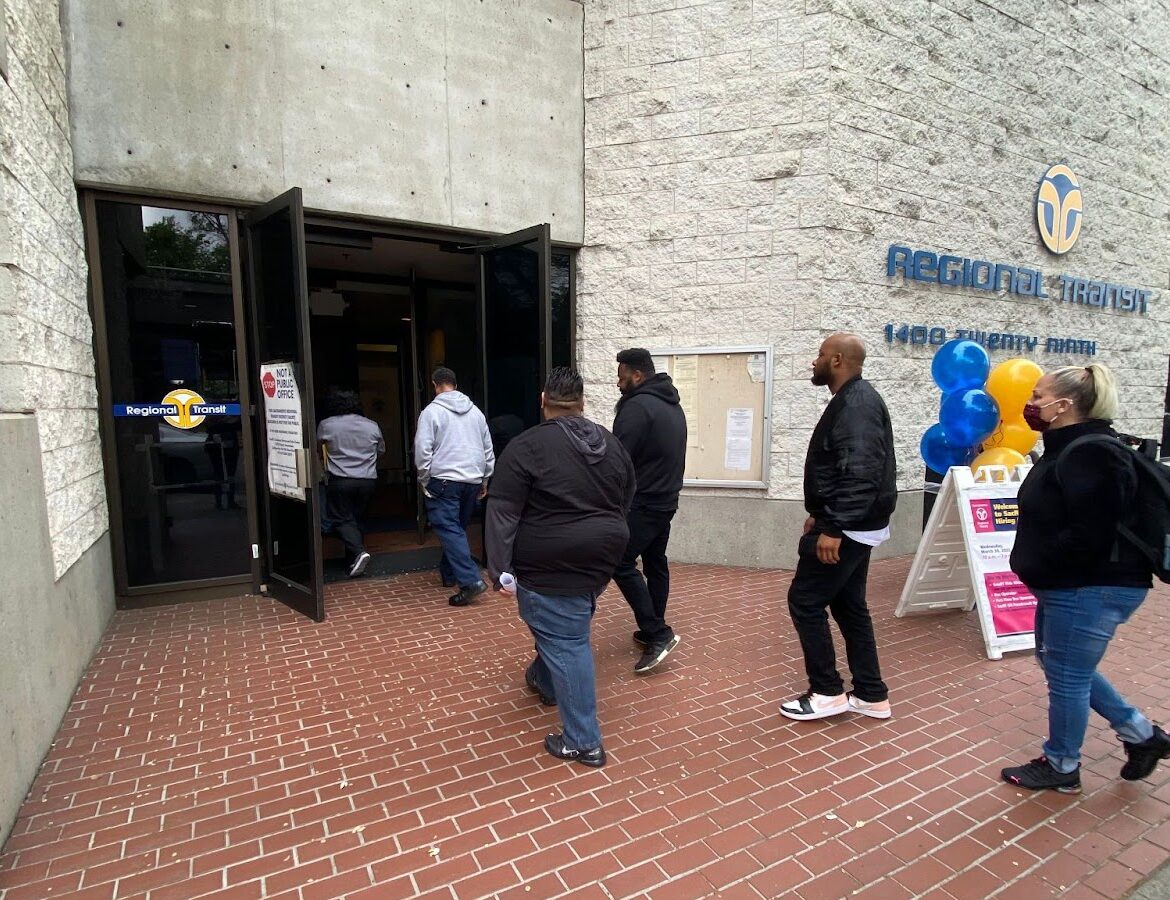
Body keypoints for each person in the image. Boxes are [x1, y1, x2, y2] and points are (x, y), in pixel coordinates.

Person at [1001, 363, 1168, 793]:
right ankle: (1142, 736)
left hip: (1087, 587)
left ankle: (1062, 766)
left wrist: (1041, 564)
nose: (1032, 404)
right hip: (1073, 586)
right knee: (1061, 665)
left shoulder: (1091, 452)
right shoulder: (1070, 446)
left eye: (1039, 397)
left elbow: (1089, 534)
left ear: (1064, 405)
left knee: (1068, 676)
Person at [486, 367, 635, 768]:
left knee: (567, 640)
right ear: (582, 402)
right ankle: (544, 677)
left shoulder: (526, 446)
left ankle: (583, 741)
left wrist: (499, 569)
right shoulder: (610, 442)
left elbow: (502, 511)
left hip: (550, 560)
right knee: (563, 621)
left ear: (543, 400)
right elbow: (627, 496)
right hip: (602, 555)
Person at [780, 333, 897, 722]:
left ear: (837, 361)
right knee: (849, 607)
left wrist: (832, 526)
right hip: (852, 523)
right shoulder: (852, 401)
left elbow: (861, 472)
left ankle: (827, 691)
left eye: (820, 355)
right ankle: (870, 694)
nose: (814, 361)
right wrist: (821, 512)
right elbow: (844, 467)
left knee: (806, 601)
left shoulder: (857, 405)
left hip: (847, 528)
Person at [612, 348, 687, 674]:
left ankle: (658, 633)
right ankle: (652, 625)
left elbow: (617, 461)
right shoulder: (671, 404)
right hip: (665, 500)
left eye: (621, 374)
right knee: (656, 563)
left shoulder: (637, 408)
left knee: (620, 561)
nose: (618, 381)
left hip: (643, 502)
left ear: (637, 375)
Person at [414, 367, 495, 606]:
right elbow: (487, 449)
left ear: (434, 385)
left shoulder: (431, 412)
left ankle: (470, 581)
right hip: (471, 479)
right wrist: (484, 478)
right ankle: (449, 574)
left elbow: (422, 450)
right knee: (456, 528)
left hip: (444, 480)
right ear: (456, 386)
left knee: (449, 529)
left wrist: (424, 478)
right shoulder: (476, 413)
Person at [317, 390, 385, 578]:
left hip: (340, 479)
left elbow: (318, 448)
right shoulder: (372, 426)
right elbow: (380, 450)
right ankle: (353, 561)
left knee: (340, 519)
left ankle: (358, 552)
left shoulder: (327, 425)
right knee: (357, 518)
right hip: (368, 480)